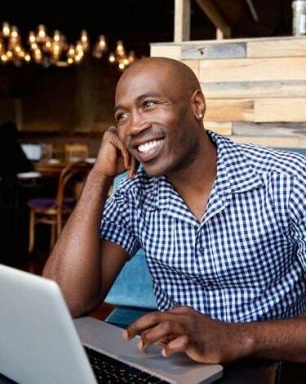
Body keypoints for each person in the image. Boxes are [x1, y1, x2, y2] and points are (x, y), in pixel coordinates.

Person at [43, 57, 306, 364]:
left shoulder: (288, 181)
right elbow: (65, 302)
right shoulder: (132, 191)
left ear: (197, 105)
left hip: (271, 367)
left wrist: (235, 337)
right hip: (176, 366)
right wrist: (98, 178)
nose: (134, 126)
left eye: (149, 104)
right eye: (122, 116)